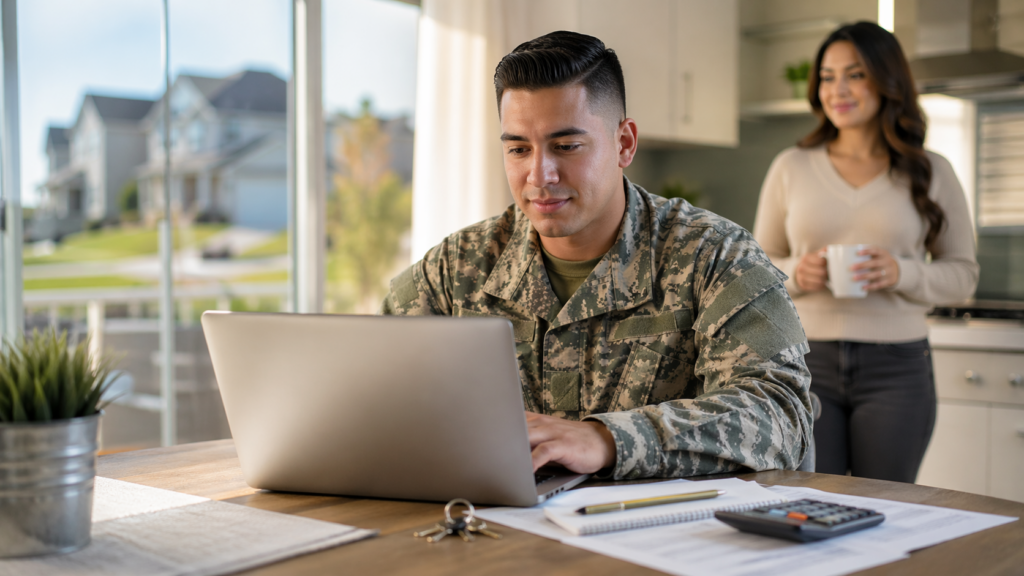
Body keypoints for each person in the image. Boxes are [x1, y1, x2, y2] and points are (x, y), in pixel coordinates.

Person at [382, 31, 813, 480]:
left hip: (663, 537)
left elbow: (780, 413)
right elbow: (372, 392)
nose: (539, 175)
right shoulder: (456, 269)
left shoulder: (715, 256)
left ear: (624, 143)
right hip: (499, 532)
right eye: (518, 149)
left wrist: (609, 440)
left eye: (566, 146)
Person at [753, 22, 978, 483]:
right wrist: (799, 272)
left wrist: (903, 273)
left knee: (887, 506)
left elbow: (963, 278)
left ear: (886, 79)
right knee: (812, 499)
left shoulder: (931, 171)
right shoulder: (790, 167)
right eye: (828, 76)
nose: (838, 89)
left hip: (897, 366)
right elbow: (759, 268)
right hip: (805, 361)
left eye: (854, 74)